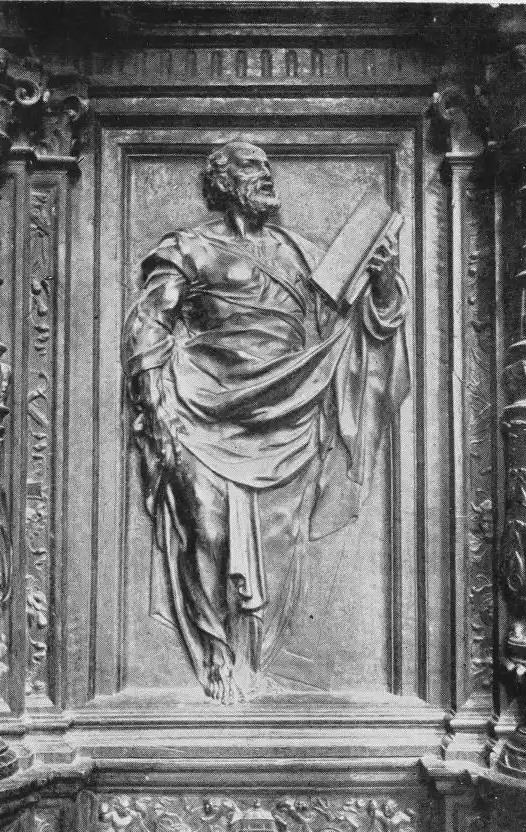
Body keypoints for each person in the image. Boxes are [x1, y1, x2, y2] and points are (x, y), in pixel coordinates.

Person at [122, 139, 409, 703]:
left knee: (280, 543)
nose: (266, 176)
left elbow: (359, 319)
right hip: (202, 405)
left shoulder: (301, 253)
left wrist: (380, 279)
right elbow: (149, 324)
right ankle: (216, 654)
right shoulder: (188, 249)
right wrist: (155, 407)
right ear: (223, 183)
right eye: (252, 168)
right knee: (207, 530)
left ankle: (256, 655)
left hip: (289, 411)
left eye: (268, 168)